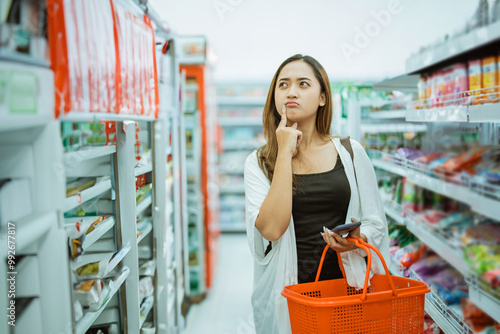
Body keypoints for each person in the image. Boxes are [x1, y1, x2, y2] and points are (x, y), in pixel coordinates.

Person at [243, 54, 390, 334]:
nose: (292, 92)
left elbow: (375, 220)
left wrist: (358, 240)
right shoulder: (259, 162)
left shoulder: (350, 152)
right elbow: (272, 229)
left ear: (322, 97)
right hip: (290, 295)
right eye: (283, 85)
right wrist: (284, 151)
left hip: (348, 289)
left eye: (303, 84)